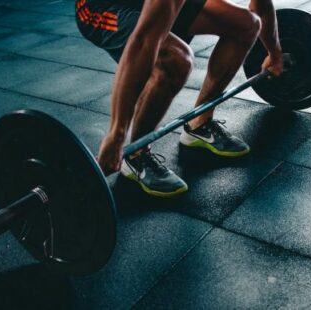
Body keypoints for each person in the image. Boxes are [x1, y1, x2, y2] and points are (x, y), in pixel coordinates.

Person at [76, 0, 283, 197]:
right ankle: (137, 156)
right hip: (102, 7)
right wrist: (116, 133)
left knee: (246, 24)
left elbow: (262, 8)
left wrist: (274, 53)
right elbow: (144, 40)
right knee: (176, 60)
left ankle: (199, 123)